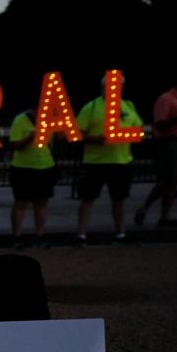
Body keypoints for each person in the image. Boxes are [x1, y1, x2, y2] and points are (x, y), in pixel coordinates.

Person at [75, 77, 144, 247]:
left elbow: (139, 130)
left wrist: (132, 135)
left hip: (121, 161)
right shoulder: (91, 107)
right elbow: (77, 133)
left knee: (119, 199)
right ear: (103, 87)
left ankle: (120, 234)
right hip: (95, 162)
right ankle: (81, 235)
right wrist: (95, 139)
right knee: (87, 199)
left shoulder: (128, 106)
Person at [8, 108, 58, 248]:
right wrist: (30, 137)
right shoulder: (20, 120)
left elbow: (54, 140)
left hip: (45, 166)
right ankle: (17, 237)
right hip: (23, 168)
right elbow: (14, 145)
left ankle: (40, 236)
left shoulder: (49, 119)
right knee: (20, 203)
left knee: (41, 203)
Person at [134, 82, 177, 227]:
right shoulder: (166, 99)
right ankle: (145, 208)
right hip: (168, 142)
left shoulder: (176, 100)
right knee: (168, 179)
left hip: (176, 143)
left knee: (173, 181)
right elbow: (160, 123)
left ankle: (165, 216)